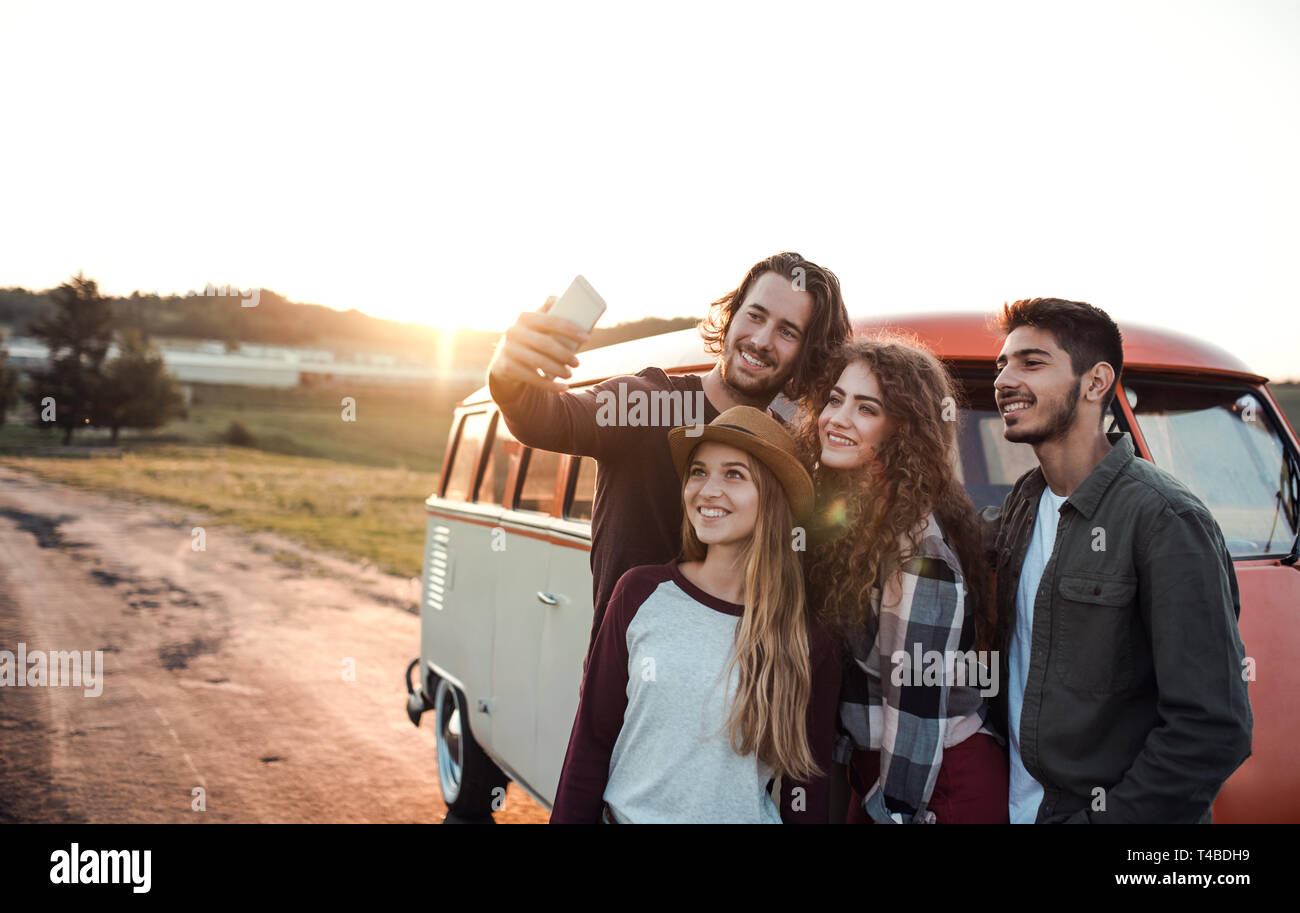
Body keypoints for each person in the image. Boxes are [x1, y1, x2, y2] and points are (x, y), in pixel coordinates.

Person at [486, 253, 851, 662]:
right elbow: (543, 418)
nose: (762, 339)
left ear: (807, 353)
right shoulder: (645, 402)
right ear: (730, 317)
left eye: (787, 331)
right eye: (755, 315)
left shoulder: (785, 452)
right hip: (626, 693)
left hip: (740, 703)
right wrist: (508, 371)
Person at [987, 297, 1252, 823]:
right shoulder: (1024, 501)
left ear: (1095, 381)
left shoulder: (1166, 519)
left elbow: (1210, 730)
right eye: (1002, 364)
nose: (1004, 380)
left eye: (1031, 362)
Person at [549, 407, 840, 823]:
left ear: (772, 497)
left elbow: (806, 789)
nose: (707, 489)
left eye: (734, 474)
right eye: (699, 472)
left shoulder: (807, 639)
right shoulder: (639, 594)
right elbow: (591, 742)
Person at [793, 337, 1009, 823]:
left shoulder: (917, 556)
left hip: (937, 789)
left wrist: (892, 812)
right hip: (881, 778)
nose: (837, 418)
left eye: (866, 408)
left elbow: (915, 714)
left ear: (901, 431)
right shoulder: (854, 522)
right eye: (835, 398)